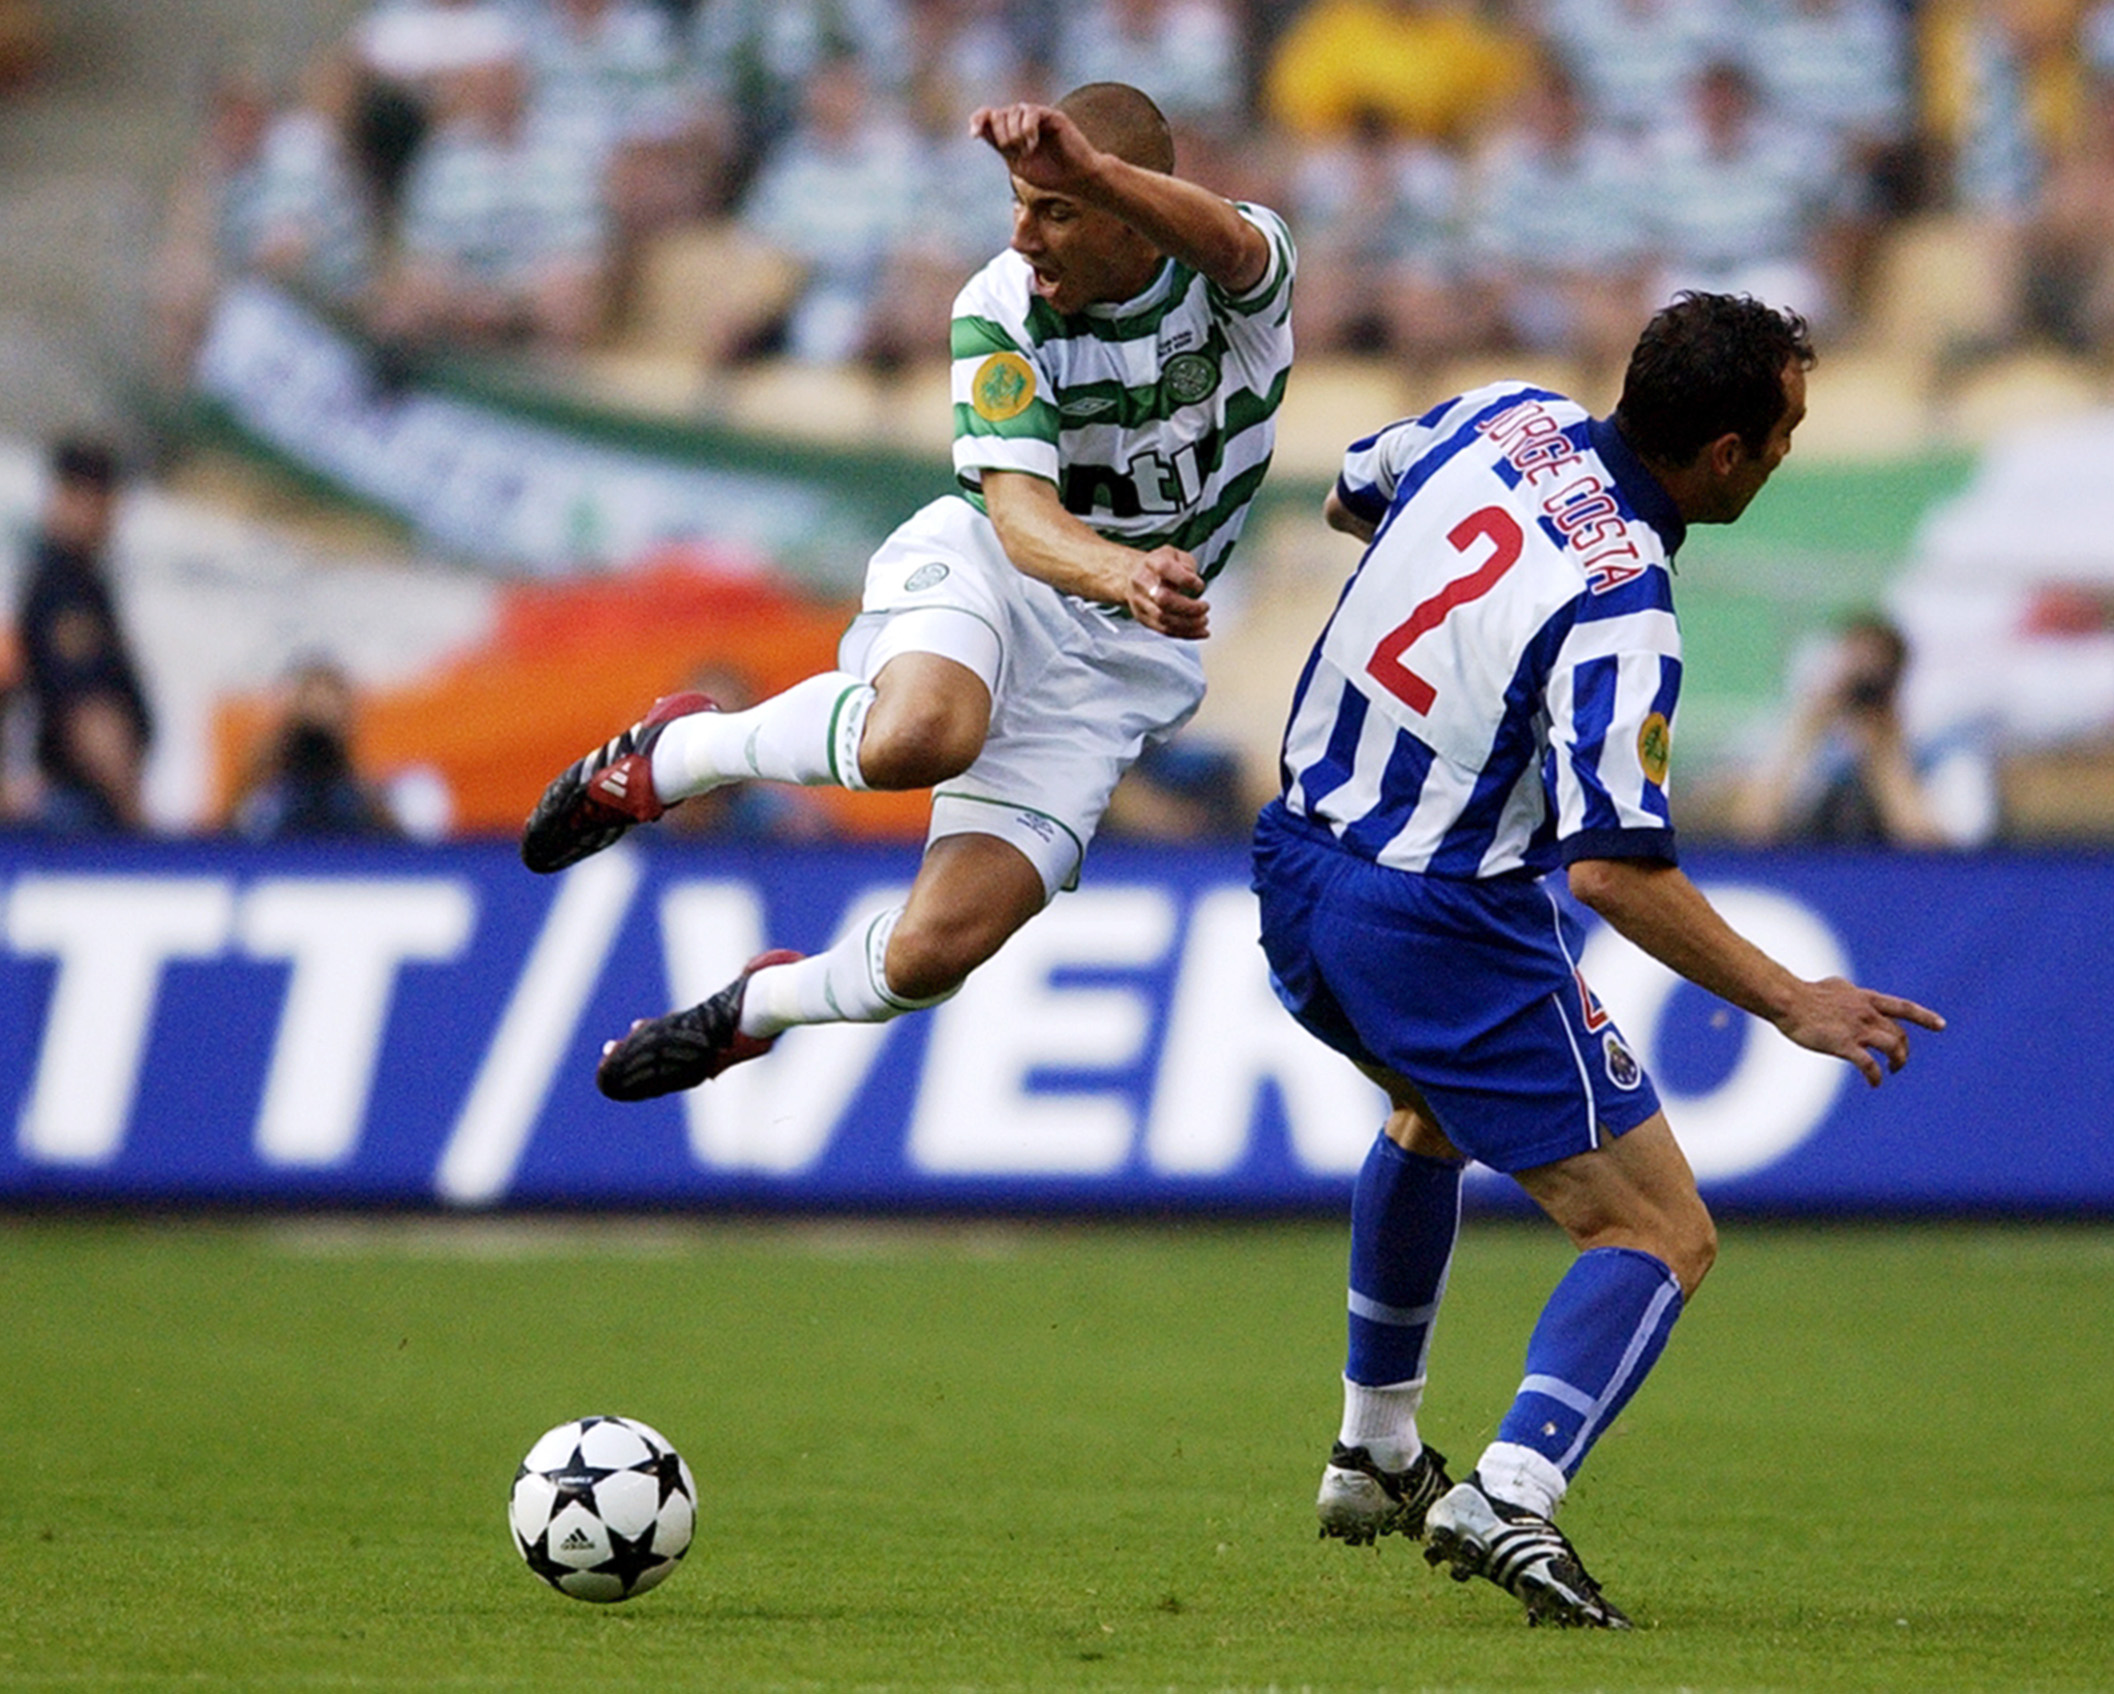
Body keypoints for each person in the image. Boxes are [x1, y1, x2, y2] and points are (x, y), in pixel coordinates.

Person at [1250, 293, 1944, 1627]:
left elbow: (1355, 491)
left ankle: (1373, 1448)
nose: (1790, 451)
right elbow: (1613, 869)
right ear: (1727, 453)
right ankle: (1512, 1486)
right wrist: (1792, 997)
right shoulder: (1624, 596)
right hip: (1435, 913)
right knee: (1658, 1226)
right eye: (1784, 430)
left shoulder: (1506, 416)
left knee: (1422, 1112)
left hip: (1295, 864)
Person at [520, 80, 1294, 1100]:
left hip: (1118, 662)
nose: (1024, 235)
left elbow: (1234, 249)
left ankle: (756, 1009)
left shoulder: (1237, 276)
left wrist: (1094, 172)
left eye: (1054, 209)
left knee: (928, 956)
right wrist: (1121, 568)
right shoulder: (997, 305)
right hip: (995, 567)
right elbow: (1017, 516)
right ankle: (678, 752)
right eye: (1016, 203)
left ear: (1131, 202)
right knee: (918, 737)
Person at [1729, 614, 1995, 847]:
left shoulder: (1942, 751)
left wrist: (1884, 755)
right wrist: (1805, 733)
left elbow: (1933, 849)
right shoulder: (1811, 748)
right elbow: (1751, 830)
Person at [12, 437, 154, 834]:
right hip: (82, 805)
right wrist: (132, 809)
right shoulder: (64, 588)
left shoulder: (78, 580)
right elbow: (90, 712)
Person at [230, 656, 403, 842]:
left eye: (328, 711)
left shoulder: (366, 791)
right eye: (310, 711)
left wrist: (367, 794)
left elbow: (399, 848)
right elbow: (230, 837)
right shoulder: (265, 786)